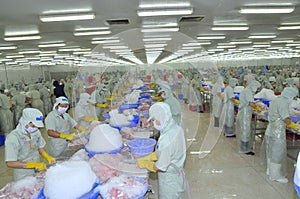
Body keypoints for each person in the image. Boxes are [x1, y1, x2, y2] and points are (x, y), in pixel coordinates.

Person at [137, 102, 188, 199]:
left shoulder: (166, 140)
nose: (153, 123)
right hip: (177, 173)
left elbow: (160, 166)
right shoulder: (176, 128)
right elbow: (171, 152)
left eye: (153, 120)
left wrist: (147, 164)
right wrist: (153, 155)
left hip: (169, 181)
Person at [5, 108, 56, 181]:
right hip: (23, 173)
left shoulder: (36, 132)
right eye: (33, 126)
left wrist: (47, 156)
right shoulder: (13, 138)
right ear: (25, 122)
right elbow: (10, 162)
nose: (35, 128)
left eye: (37, 127)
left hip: (38, 169)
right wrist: (32, 165)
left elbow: (40, 148)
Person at [262, 87, 300, 183]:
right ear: (290, 95)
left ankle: (270, 170)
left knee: (271, 151)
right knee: (277, 153)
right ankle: (276, 176)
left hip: (271, 128)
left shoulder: (276, 99)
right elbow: (286, 119)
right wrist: (295, 125)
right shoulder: (283, 102)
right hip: (278, 131)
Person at [236, 80, 261, 155]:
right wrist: (259, 108)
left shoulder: (247, 90)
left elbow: (249, 102)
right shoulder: (248, 92)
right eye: (256, 87)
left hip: (245, 112)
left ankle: (245, 147)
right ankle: (244, 149)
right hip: (245, 113)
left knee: (245, 130)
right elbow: (251, 103)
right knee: (245, 131)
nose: (256, 89)